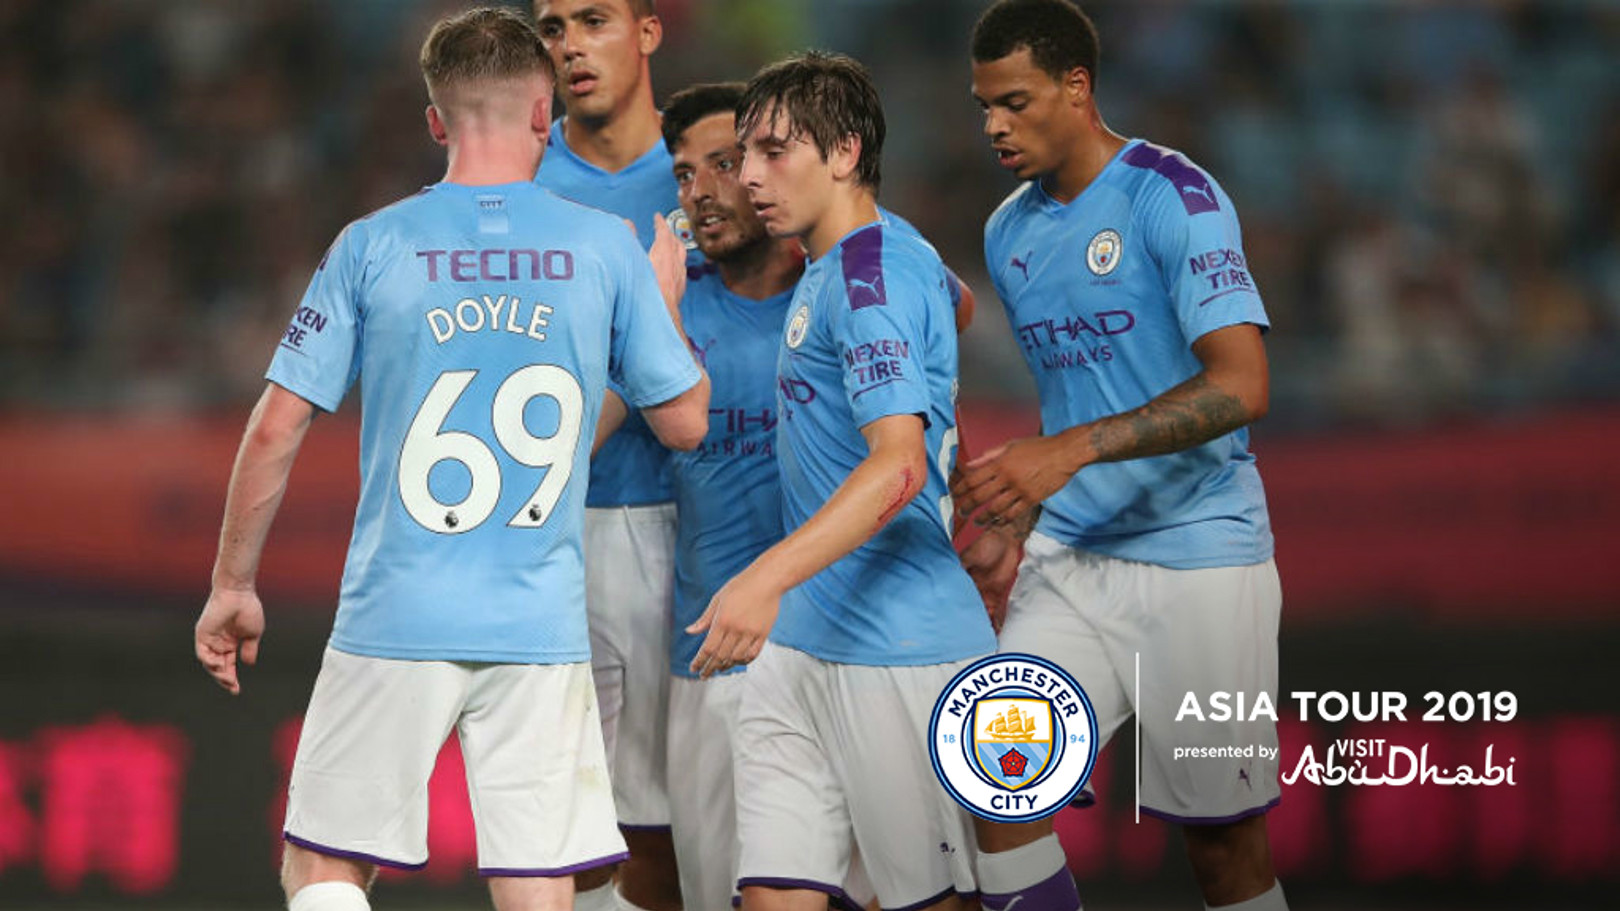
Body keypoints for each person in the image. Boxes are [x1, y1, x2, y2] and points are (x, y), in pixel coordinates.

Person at [192, 9, 709, 911]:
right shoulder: (605, 250)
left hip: (395, 610)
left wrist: (234, 582)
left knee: (323, 869)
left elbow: (277, 423)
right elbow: (685, 424)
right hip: (540, 626)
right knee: (541, 888)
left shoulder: (372, 244)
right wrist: (659, 306)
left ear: (435, 121)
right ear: (544, 112)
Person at [953, 2, 1287, 910]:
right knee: (992, 785)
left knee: (1222, 850)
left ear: (1077, 86)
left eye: (1015, 102)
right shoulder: (1008, 232)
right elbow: (1084, 389)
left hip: (1201, 563)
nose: (993, 125)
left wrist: (1068, 452)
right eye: (984, 106)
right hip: (1072, 565)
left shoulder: (1171, 196)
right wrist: (1023, 505)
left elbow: (1242, 385)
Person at [688, 51, 995, 911]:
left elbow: (898, 464)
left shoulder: (870, 274)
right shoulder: (861, 262)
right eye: (743, 153)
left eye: (774, 151)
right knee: (774, 895)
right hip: (801, 646)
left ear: (846, 152)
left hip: (900, 647)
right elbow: (951, 313)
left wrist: (761, 578)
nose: (749, 175)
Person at [531, 3, 686, 906]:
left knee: (683, 827)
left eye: (594, 18)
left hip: (701, 529)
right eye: (551, 27)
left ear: (649, 30)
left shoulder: (723, 162)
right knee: (570, 831)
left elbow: (919, 297)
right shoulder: (516, 184)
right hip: (561, 532)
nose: (571, 45)